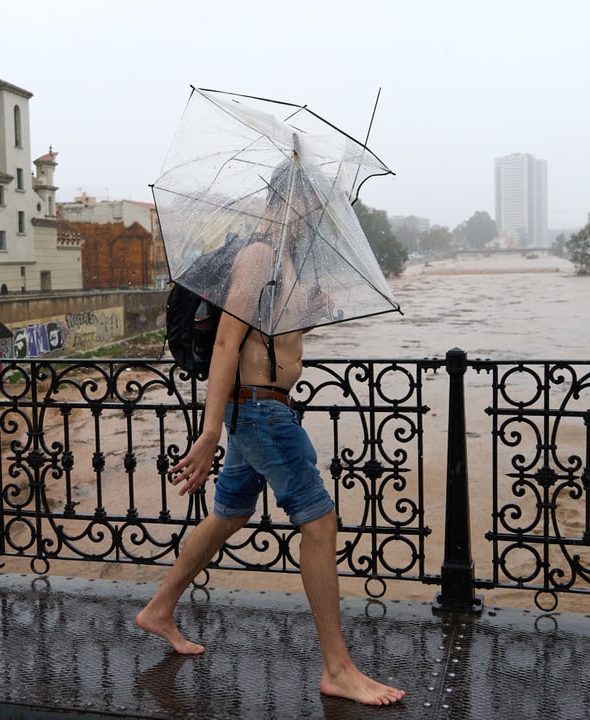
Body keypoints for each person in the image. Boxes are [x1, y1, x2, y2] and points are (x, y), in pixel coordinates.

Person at [136, 160, 406, 706]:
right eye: (315, 205)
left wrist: (307, 309)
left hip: (260, 408)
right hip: (259, 412)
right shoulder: (259, 254)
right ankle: (338, 668)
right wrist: (209, 431)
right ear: (292, 200)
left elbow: (273, 338)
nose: (319, 218)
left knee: (230, 513)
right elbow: (229, 346)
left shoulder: (281, 262)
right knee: (320, 521)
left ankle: (159, 609)